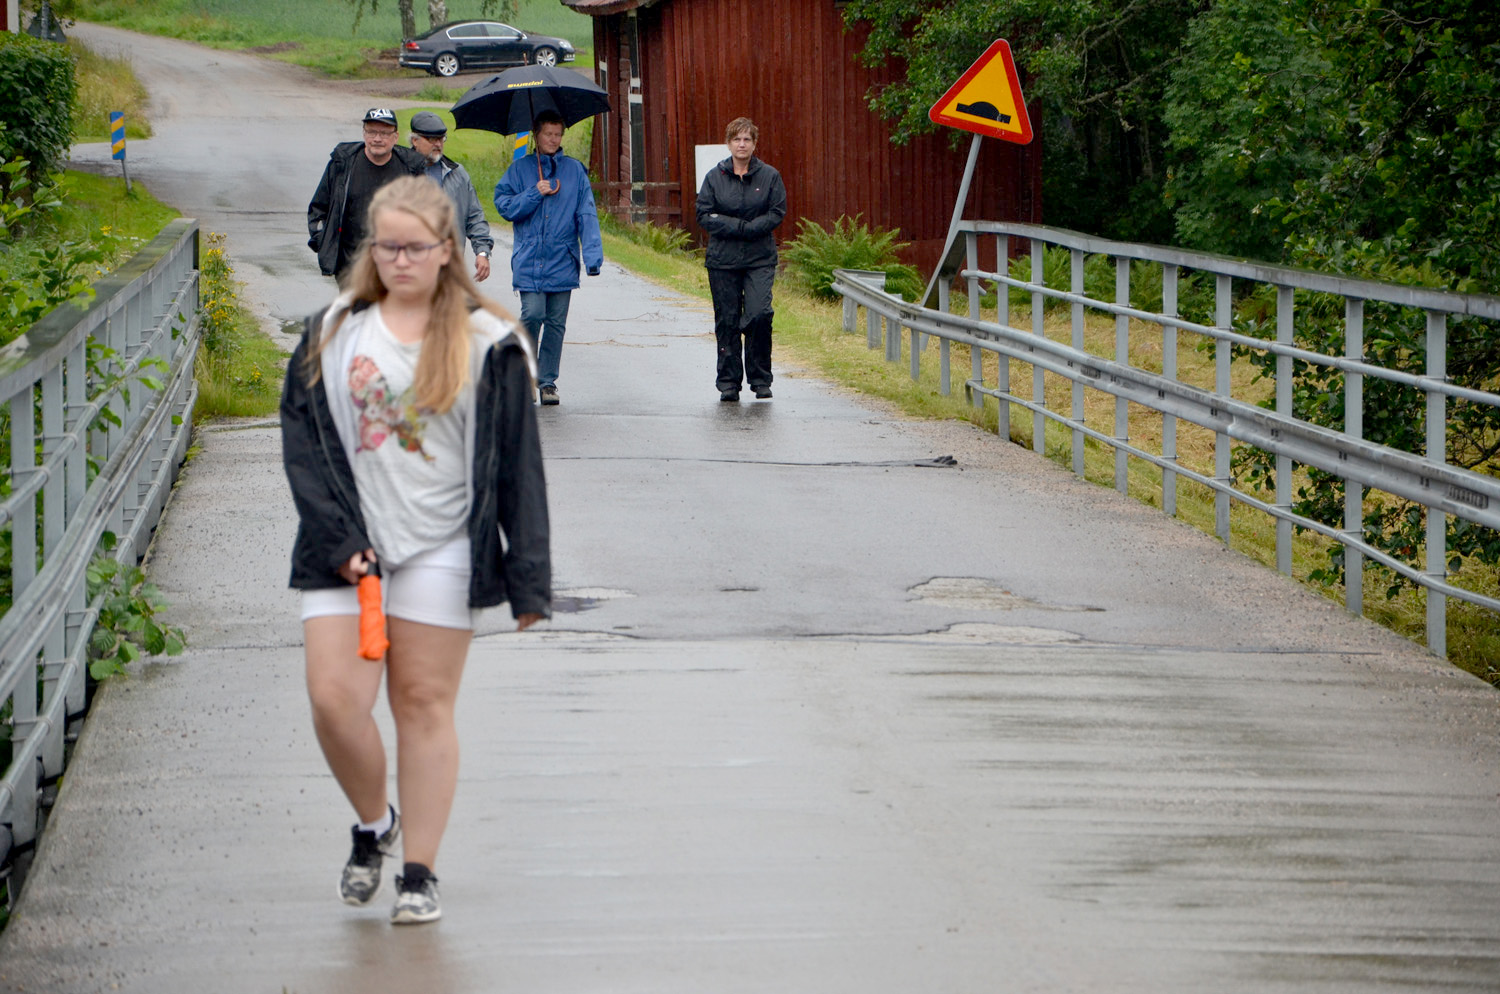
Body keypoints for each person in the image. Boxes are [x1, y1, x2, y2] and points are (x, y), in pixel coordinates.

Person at [281, 175, 551, 925]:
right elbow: (303, 446)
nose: (400, 260)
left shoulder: (487, 341)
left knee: (423, 705)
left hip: (441, 546)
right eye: (388, 246)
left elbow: (517, 468)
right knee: (335, 702)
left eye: (416, 247)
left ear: (445, 251)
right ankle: (375, 824)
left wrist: (528, 581)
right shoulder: (333, 330)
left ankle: (419, 874)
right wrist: (341, 541)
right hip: (344, 544)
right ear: (374, 248)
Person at [494, 110, 603, 406]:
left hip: (563, 258)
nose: (553, 139)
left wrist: (593, 255)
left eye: (558, 134)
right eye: (548, 134)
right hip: (529, 258)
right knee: (532, 313)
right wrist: (534, 193)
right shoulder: (519, 170)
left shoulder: (574, 171)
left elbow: (586, 213)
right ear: (536, 135)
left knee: (556, 322)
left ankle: (547, 382)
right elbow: (504, 206)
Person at [695, 117, 787, 402]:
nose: (742, 144)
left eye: (747, 139)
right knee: (728, 320)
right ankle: (728, 382)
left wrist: (750, 229)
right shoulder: (715, 177)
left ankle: (760, 379)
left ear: (754, 143)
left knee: (759, 314)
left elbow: (776, 212)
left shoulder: (769, 176)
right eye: (737, 139)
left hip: (759, 257)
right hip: (723, 259)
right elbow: (704, 214)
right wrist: (738, 227)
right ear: (728, 143)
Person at [307, 108, 427, 284]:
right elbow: (319, 207)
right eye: (372, 132)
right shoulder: (343, 164)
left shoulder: (411, 169)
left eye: (384, 133)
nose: (377, 139)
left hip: (396, 266)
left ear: (395, 137)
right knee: (358, 312)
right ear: (364, 134)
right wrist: (323, 242)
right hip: (351, 266)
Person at [409, 110, 493, 284]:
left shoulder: (457, 174)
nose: (438, 144)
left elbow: (474, 216)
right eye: (431, 139)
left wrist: (482, 252)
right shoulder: (401, 172)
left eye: (441, 139)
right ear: (414, 141)